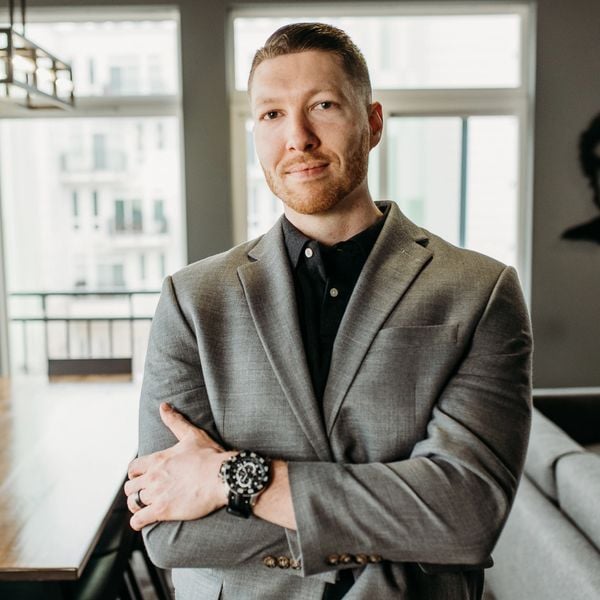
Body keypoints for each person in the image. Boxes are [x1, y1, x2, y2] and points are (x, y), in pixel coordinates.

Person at [124, 23, 532, 600]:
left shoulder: (480, 290)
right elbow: (169, 531)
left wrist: (227, 478)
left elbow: (465, 517)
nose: (299, 137)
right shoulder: (193, 299)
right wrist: (396, 524)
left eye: (322, 105)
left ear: (372, 123)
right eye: (271, 115)